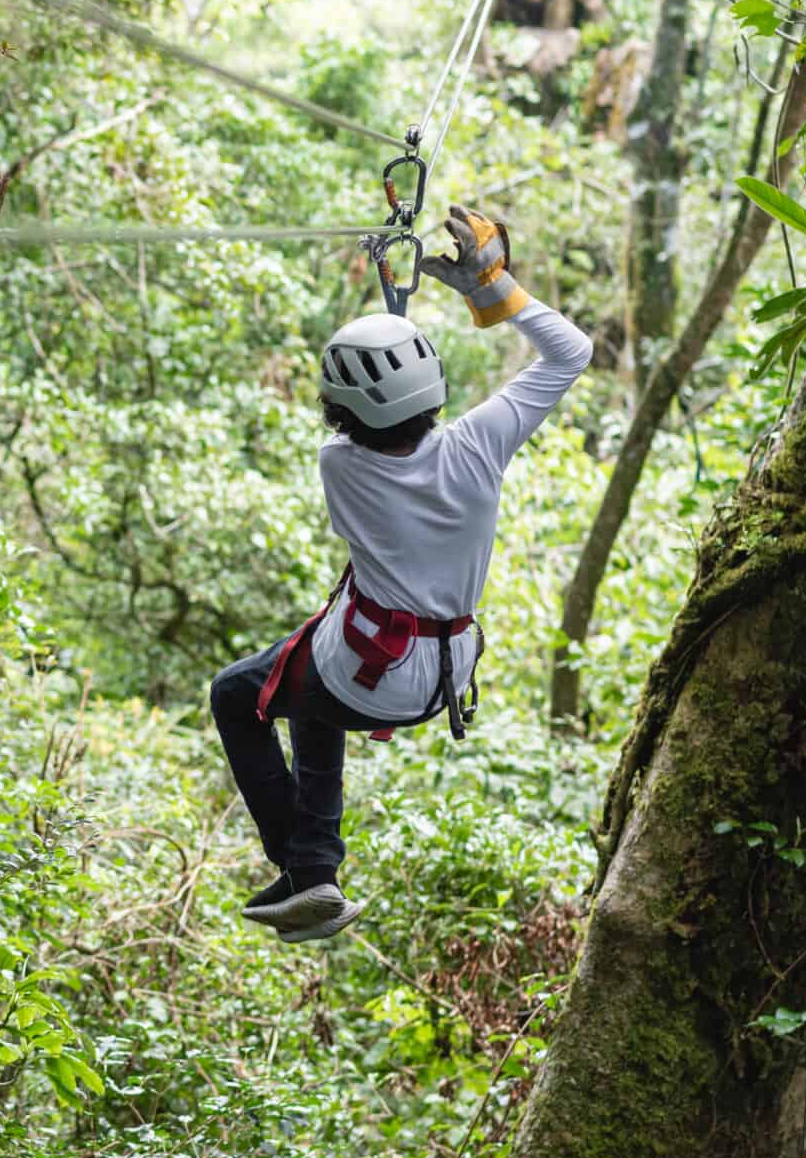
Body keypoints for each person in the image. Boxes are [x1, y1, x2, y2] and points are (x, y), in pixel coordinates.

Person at [209, 207, 593, 945]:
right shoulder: (483, 446)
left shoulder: (339, 465)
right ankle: (311, 868)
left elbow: (365, 421)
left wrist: (392, 304)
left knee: (241, 693)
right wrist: (492, 288)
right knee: (313, 680)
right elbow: (569, 352)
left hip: (369, 669)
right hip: (446, 674)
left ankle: (306, 865)